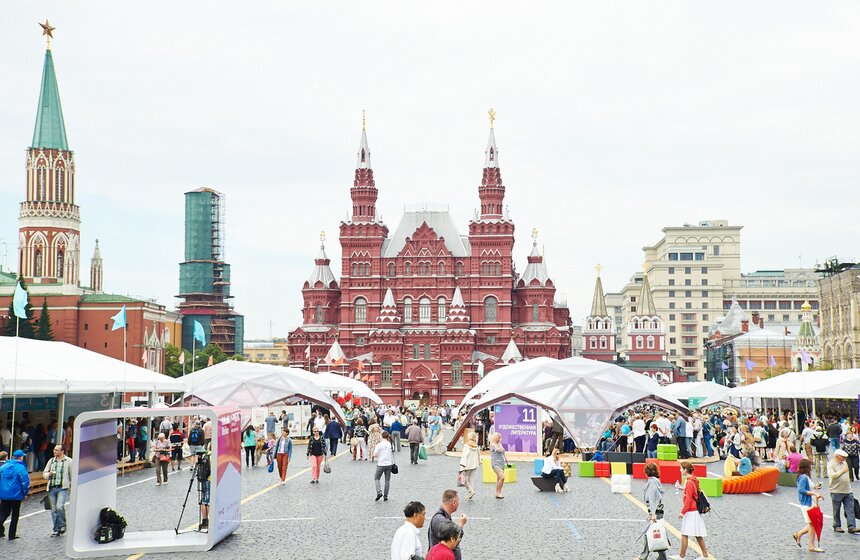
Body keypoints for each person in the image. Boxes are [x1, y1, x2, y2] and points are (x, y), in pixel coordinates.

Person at [672, 461, 710, 560]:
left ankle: (682, 555)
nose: (680, 470)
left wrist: (682, 512)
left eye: (681, 468)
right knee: (698, 534)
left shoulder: (689, 482)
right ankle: (705, 555)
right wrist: (682, 488)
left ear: (685, 470)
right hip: (695, 511)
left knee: (685, 533)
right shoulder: (693, 480)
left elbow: (688, 499)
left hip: (691, 511)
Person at [792, 458, 825, 552]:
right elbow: (801, 490)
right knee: (812, 523)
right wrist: (814, 494)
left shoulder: (804, 476)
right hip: (807, 503)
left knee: (813, 523)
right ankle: (811, 546)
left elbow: (809, 487)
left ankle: (798, 535)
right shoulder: (803, 477)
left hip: (809, 502)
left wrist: (815, 487)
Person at [639, 462, 667, 560]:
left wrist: (653, 513)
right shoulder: (656, 481)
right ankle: (659, 557)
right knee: (654, 533)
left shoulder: (651, 482)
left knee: (654, 534)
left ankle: (646, 556)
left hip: (656, 512)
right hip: (658, 511)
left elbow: (652, 498)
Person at [428, 490, 467, 560]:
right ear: (454, 503)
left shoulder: (443, 517)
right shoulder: (440, 520)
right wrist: (461, 524)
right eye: (458, 501)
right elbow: (453, 539)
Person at [43, 444, 72, 536]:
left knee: (59, 506)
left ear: (62, 451)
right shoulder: (51, 461)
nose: (54, 451)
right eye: (54, 450)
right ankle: (56, 529)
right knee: (53, 509)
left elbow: (72, 474)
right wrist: (48, 474)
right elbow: (44, 473)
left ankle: (63, 524)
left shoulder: (69, 461)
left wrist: (71, 486)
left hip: (62, 488)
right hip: (52, 487)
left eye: (56, 450)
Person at [0, 450, 30, 540]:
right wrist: (25, 493)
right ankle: (12, 534)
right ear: (21, 457)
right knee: (15, 514)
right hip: (16, 495)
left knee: (4, 513)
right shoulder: (21, 468)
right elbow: (24, 481)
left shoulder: (3, 467)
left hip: (4, 494)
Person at [827, 449, 857, 533]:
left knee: (850, 509)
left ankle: (852, 526)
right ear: (837, 456)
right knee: (836, 509)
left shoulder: (844, 463)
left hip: (847, 490)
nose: (844, 459)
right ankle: (837, 525)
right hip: (836, 490)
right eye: (843, 457)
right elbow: (833, 476)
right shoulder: (831, 464)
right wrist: (843, 471)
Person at [373, 431, 395, 501]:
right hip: (389, 464)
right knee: (387, 480)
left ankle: (379, 492)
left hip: (381, 464)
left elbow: (374, 454)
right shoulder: (389, 444)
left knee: (377, 478)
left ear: (382, 436)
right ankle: (386, 496)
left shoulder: (379, 445)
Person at [458, 432, 480, 499]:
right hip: (474, 464)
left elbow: (465, 455)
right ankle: (470, 494)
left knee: (464, 479)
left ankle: (471, 491)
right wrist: (479, 462)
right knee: (470, 480)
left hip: (467, 465)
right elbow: (478, 455)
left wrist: (462, 465)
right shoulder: (476, 446)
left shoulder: (466, 445)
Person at [489, 432, 507, 499]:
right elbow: (499, 450)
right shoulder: (493, 445)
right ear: (495, 437)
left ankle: (498, 492)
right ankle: (498, 492)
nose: (499, 438)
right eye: (498, 437)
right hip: (495, 463)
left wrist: (507, 462)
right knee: (502, 477)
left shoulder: (499, 444)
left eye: (500, 437)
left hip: (502, 463)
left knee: (499, 478)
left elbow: (503, 453)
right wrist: (499, 443)